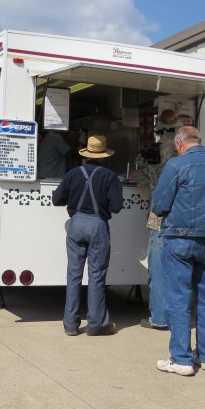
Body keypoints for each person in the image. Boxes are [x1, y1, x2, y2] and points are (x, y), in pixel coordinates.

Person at [151, 126, 205, 376]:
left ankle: (181, 359)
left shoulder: (176, 165)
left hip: (180, 240)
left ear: (179, 144)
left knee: (178, 298)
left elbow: (159, 203)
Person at [52, 135, 123, 337]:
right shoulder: (109, 176)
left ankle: (70, 325)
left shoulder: (73, 174)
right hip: (98, 225)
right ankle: (96, 324)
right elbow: (117, 206)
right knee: (96, 276)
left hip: (76, 225)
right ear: (104, 156)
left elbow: (57, 200)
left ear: (86, 154)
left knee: (73, 275)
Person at [138, 139, 178, 331]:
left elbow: (139, 180)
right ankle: (175, 316)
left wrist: (142, 156)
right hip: (179, 222)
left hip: (157, 220)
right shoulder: (183, 168)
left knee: (157, 269)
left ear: (161, 154)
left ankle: (159, 318)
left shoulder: (156, 170)